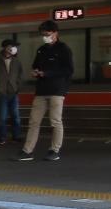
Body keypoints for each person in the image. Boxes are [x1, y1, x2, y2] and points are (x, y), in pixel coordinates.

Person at [17, 20, 73, 162]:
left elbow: (68, 70)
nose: (45, 37)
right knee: (34, 121)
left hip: (57, 90)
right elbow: (35, 65)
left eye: (47, 34)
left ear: (55, 33)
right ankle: (27, 151)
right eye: (43, 35)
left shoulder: (64, 49)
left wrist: (47, 73)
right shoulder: (41, 49)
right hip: (41, 90)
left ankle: (54, 150)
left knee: (55, 121)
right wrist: (36, 72)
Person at [0, 38, 24, 146]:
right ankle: (2, 138)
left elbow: (20, 74)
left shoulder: (16, 61)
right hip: (1, 93)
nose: (14, 48)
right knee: (2, 117)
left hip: (13, 92)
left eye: (15, 47)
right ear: (5, 47)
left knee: (16, 116)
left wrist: (17, 87)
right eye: (12, 46)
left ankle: (16, 136)